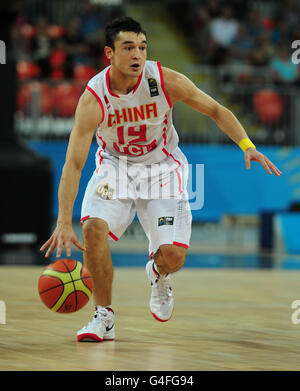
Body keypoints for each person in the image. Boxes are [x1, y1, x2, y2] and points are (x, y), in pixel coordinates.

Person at [40, 16, 282, 342]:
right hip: (116, 168)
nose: (137, 54)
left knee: (174, 256)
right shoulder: (93, 98)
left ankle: (157, 273)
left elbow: (216, 110)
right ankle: (103, 318)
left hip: (162, 169)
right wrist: (63, 220)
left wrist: (247, 145)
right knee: (93, 227)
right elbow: (72, 164)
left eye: (142, 47)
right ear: (109, 54)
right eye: (128, 48)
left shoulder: (165, 80)